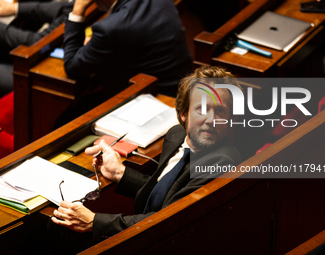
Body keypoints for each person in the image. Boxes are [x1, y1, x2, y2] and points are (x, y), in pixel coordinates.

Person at [48, 66, 242, 253]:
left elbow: (166, 220)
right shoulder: (176, 136)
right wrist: (120, 173)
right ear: (184, 114)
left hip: (163, 241)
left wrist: (94, 221)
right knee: (52, 225)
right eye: (202, 109)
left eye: (220, 111)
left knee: (52, 231)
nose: (211, 119)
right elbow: (166, 191)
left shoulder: (221, 163)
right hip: (147, 228)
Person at [63, 0, 193, 98]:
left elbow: (72, 68)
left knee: (65, 119)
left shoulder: (111, 28)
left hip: (152, 104)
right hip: (182, 90)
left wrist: (77, 10)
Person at [0, 0, 74, 97]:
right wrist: (14, 8)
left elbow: (37, 43)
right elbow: (62, 8)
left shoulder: (81, 10)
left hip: (46, 81)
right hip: (43, 59)